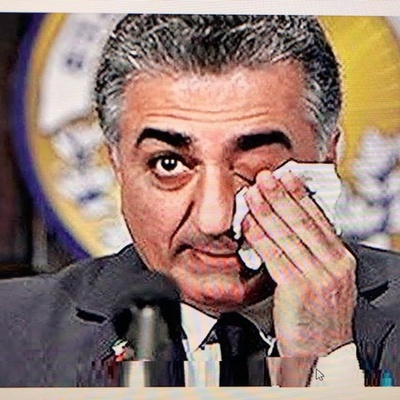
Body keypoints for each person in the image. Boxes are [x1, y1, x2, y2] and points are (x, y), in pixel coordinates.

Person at [1, 14, 399, 387]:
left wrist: (327, 365)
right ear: (117, 166)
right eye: (169, 164)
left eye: (257, 164)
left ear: (327, 156)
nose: (215, 219)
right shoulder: (11, 334)